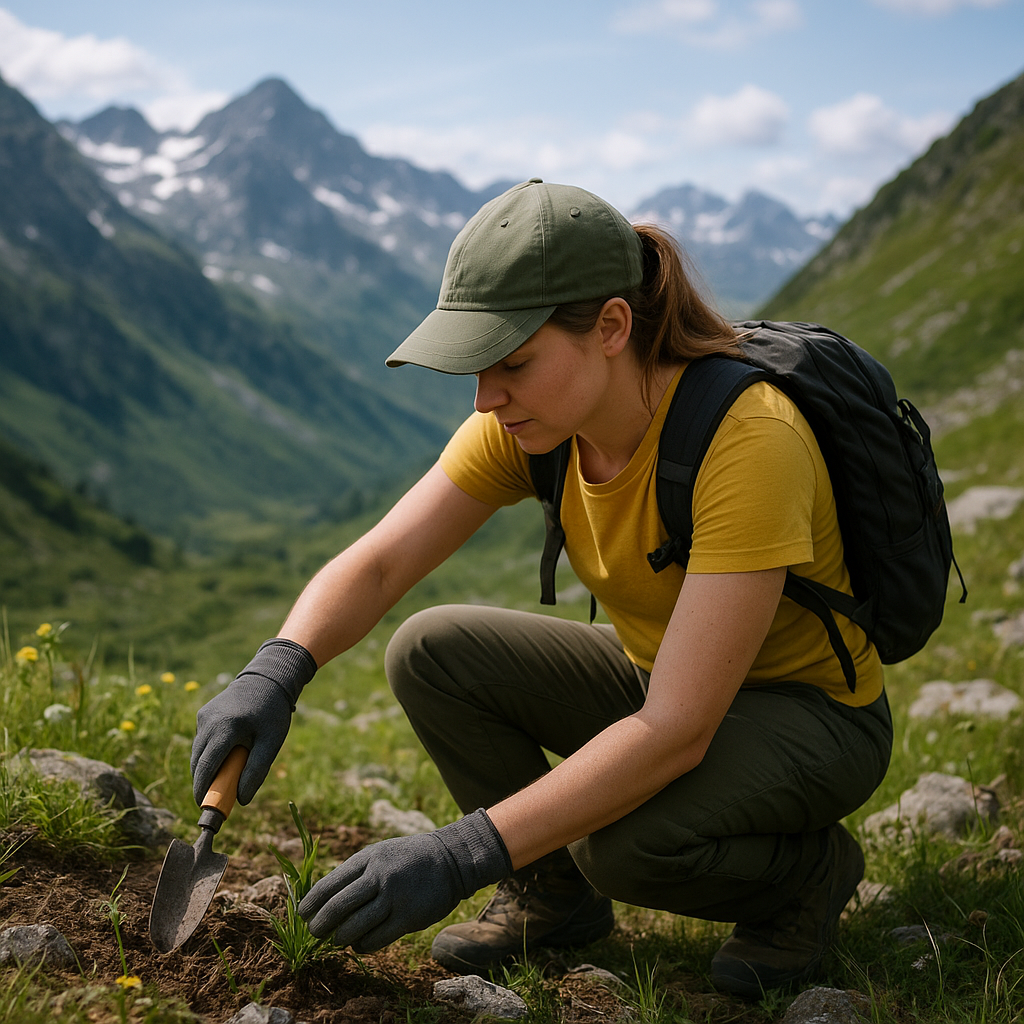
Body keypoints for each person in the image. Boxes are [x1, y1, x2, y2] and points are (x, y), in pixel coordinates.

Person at [191, 178, 892, 999]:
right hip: (661, 674)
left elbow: (674, 730)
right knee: (433, 651)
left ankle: (807, 877)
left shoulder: (748, 437)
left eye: (514, 363)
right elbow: (381, 561)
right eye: (478, 368)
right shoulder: (534, 425)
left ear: (611, 327)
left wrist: (463, 852)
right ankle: (553, 899)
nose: (487, 398)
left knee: (623, 842)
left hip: (810, 716)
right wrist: (278, 667)